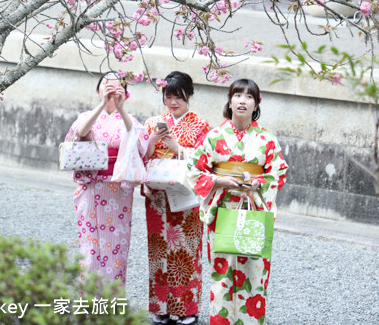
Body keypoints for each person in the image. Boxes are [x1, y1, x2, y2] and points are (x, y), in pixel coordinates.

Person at [187, 78, 288, 325]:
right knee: (222, 273)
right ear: (230, 102)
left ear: (256, 105)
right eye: (238, 95)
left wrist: (259, 183)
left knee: (255, 272)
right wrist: (220, 181)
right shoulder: (214, 136)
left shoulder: (267, 139)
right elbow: (194, 169)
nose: (243, 100)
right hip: (221, 209)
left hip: (253, 207)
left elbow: (279, 171)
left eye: (249, 96)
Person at [65, 71, 148, 285]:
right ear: (98, 90)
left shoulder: (131, 121)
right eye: (105, 84)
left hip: (117, 190)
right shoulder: (87, 117)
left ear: (125, 94)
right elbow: (80, 132)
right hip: (91, 188)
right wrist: (102, 105)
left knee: (116, 246)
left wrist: (121, 109)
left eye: (116, 85)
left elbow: (140, 144)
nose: (110, 88)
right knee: (89, 246)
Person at [144, 71, 210, 325]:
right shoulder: (153, 122)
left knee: (186, 251)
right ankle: (160, 307)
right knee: (159, 251)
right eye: (169, 97)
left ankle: (187, 308)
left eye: (179, 97)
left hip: (186, 197)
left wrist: (179, 149)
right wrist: (152, 141)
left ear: (189, 96)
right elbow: (144, 156)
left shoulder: (200, 125)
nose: (173, 103)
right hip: (158, 199)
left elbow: (206, 161)